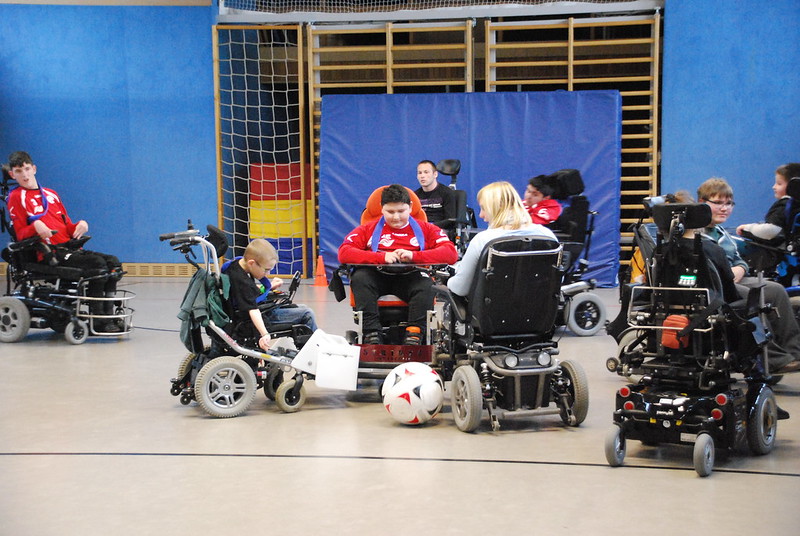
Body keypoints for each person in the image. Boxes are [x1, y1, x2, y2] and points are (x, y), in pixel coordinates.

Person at [6, 151, 123, 332]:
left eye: (27, 169)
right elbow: (20, 234)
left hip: (67, 248)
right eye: (19, 171)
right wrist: (35, 227)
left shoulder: (51, 194)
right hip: (47, 252)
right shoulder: (16, 196)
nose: (25, 175)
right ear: (12, 174)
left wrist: (81, 225)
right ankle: (99, 320)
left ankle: (109, 314)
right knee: (97, 265)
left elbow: (67, 226)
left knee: (113, 262)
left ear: (34, 169)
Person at [697, 177, 800, 375]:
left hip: (734, 280)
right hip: (714, 286)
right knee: (753, 298)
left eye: (728, 203)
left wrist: (740, 269)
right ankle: (774, 359)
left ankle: (794, 353)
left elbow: (739, 260)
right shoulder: (696, 233)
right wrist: (729, 274)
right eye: (718, 203)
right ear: (702, 203)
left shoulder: (721, 232)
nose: (724, 208)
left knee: (776, 290)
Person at [339, 183, 458, 345]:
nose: (396, 217)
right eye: (390, 212)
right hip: (377, 276)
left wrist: (415, 256)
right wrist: (381, 257)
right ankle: (372, 333)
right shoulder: (368, 229)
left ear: (410, 207)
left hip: (411, 276)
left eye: (401, 211)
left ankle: (414, 334)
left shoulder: (427, 229)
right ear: (381, 209)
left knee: (427, 284)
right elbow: (344, 253)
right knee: (360, 277)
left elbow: (451, 254)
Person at [448, 181, 557, 296]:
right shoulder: (547, 236)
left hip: (490, 312)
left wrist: (447, 281)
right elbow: (557, 280)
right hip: (539, 311)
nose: (481, 215)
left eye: (484, 208)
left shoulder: (483, 240)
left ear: (495, 209)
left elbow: (460, 289)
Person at [224, 238, 317, 351]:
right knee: (307, 313)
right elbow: (252, 310)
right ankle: (313, 353)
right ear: (252, 263)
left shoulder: (234, 265)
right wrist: (264, 334)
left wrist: (269, 286)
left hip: (248, 312)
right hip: (255, 318)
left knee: (302, 308)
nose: (268, 274)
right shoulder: (242, 281)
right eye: (266, 270)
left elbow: (246, 293)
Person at [735, 163, 800, 240]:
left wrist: (748, 228)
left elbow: (772, 230)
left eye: (779, 184)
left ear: (793, 186)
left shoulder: (787, 204)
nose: (774, 187)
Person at [414, 160, 457, 230]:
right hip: (421, 230)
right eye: (419, 173)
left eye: (426, 172)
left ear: (435, 174)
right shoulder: (415, 195)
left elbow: (450, 220)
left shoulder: (447, 193)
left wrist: (431, 226)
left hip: (440, 230)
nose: (422, 176)